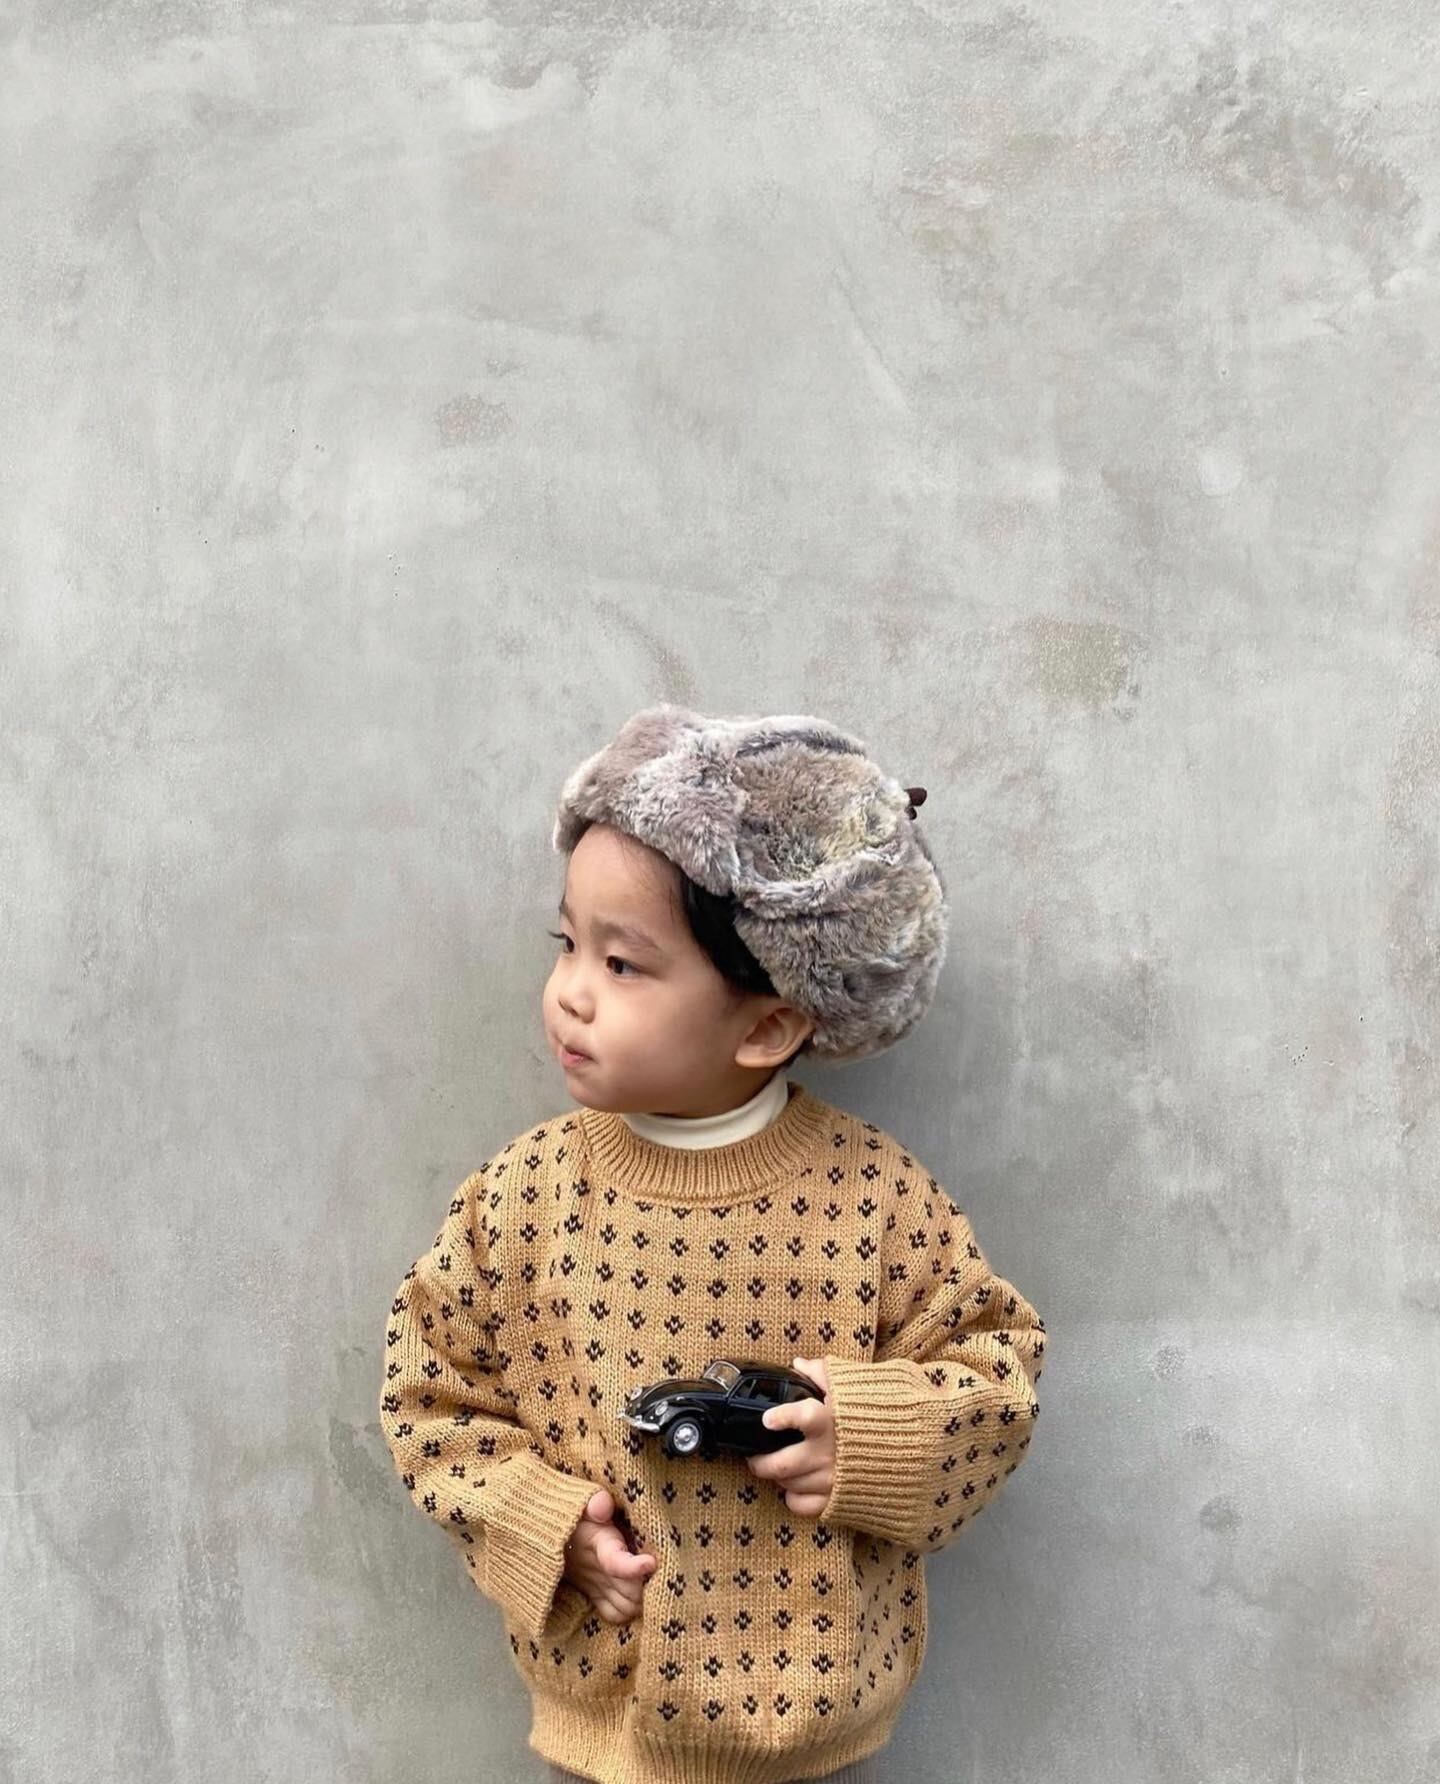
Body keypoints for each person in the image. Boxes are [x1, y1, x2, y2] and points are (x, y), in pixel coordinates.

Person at [379, 704, 1050, 1784]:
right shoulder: (521, 1198)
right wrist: (543, 1526)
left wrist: (868, 1439)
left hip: (819, 1748)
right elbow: (429, 1394)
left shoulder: (875, 1198)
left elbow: (997, 1376)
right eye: (567, 944)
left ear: (768, 1025)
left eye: (624, 964)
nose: (571, 992)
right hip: (602, 1746)